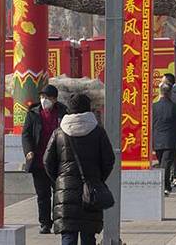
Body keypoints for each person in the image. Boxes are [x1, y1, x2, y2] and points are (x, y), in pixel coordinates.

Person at [44, 92, 116, 245]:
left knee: (68, 237)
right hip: (90, 192)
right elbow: (109, 160)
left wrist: (59, 180)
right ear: (88, 109)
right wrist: (98, 179)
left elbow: (47, 162)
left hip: (65, 192)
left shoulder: (58, 133)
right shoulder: (98, 132)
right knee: (88, 237)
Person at [22, 84, 67, 234]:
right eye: (42, 97)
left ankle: (59, 222)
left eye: (47, 97)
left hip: (58, 161)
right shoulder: (33, 113)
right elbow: (26, 134)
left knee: (59, 194)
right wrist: (28, 151)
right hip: (39, 161)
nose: (44, 100)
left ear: (54, 99)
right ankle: (45, 223)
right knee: (43, 195)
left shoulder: (63, 112)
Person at [153, 81, 176, 195]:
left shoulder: (154, 107)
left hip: (157, 140)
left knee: (163, 163)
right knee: (165, 164)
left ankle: (165, 186)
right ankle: (165, 186)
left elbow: (151, 123)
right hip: (170, 140)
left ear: (161, 93)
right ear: (170, 93)